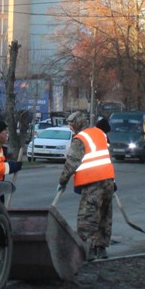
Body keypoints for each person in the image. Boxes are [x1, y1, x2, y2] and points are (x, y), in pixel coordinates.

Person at [58, 110, 115, 260]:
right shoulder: (99, 134)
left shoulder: (80, 139)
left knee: (87, 217)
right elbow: (105, 157)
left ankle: (86, 251)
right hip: (108, 181)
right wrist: (113, 181)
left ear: (77, 124)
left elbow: (71, 163)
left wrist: (62, 181)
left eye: (71, 125)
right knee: (104, 215)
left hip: (93, 184)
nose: (70, 128)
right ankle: (101, 249)